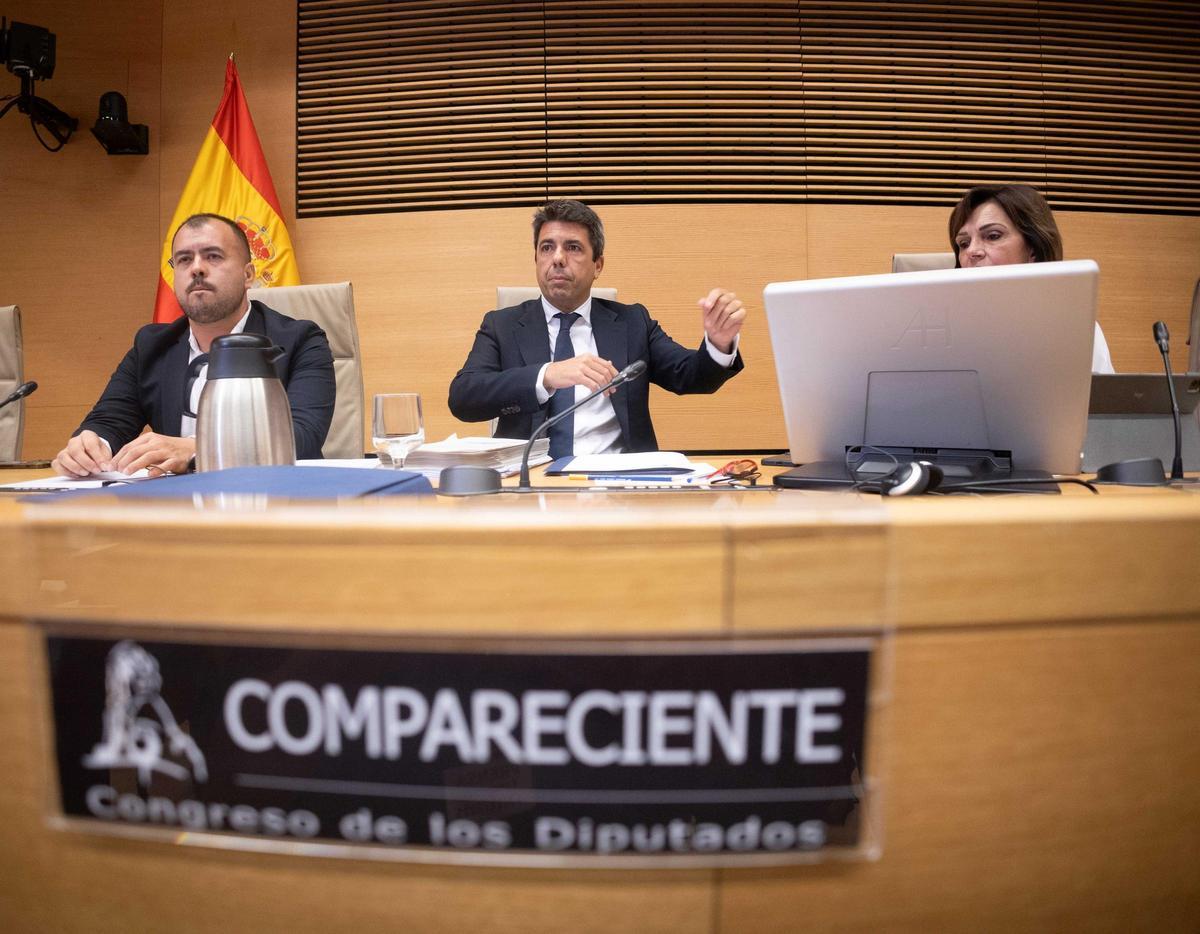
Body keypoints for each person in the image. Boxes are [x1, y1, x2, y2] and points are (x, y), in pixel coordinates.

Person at [448, 199, 745, 456]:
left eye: (573, 248)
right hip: (531, 482)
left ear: (598, 265)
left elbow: (691, 377)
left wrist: (718, 345)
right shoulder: (502, 324)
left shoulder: (632, 323)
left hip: (615, 483)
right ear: (536, 258)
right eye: (547, 248)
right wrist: (548, 375)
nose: (558, 259)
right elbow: (464, 398)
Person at [52, 213, 335, 477]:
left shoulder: (300, 340)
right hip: (177, 509)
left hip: (275, 505)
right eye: (185, 260)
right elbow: (110, 421)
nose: (197, 268)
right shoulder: (151, 345)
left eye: (213, 256)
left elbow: (302, 435)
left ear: (248, 275)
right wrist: (90, 446)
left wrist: (198, 447)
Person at [948, 184, 1115, 373]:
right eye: (964, 243)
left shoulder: (1074, 328)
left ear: (1033, 250)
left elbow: (1104, 402)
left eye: (993, 236)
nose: (972, 251)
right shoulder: (945, 329)